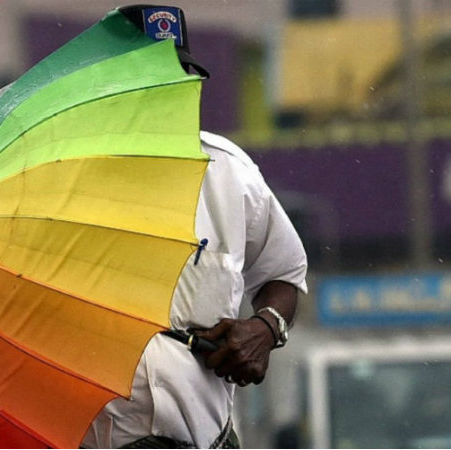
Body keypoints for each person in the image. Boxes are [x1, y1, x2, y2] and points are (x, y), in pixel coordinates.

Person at [81, 6, 308, 448]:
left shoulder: (230, 172)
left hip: (210, 441)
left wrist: (264, 328)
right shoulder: (61, 182)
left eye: (181, 79)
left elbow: (286, 274)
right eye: (149, 81)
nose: (170, 95)